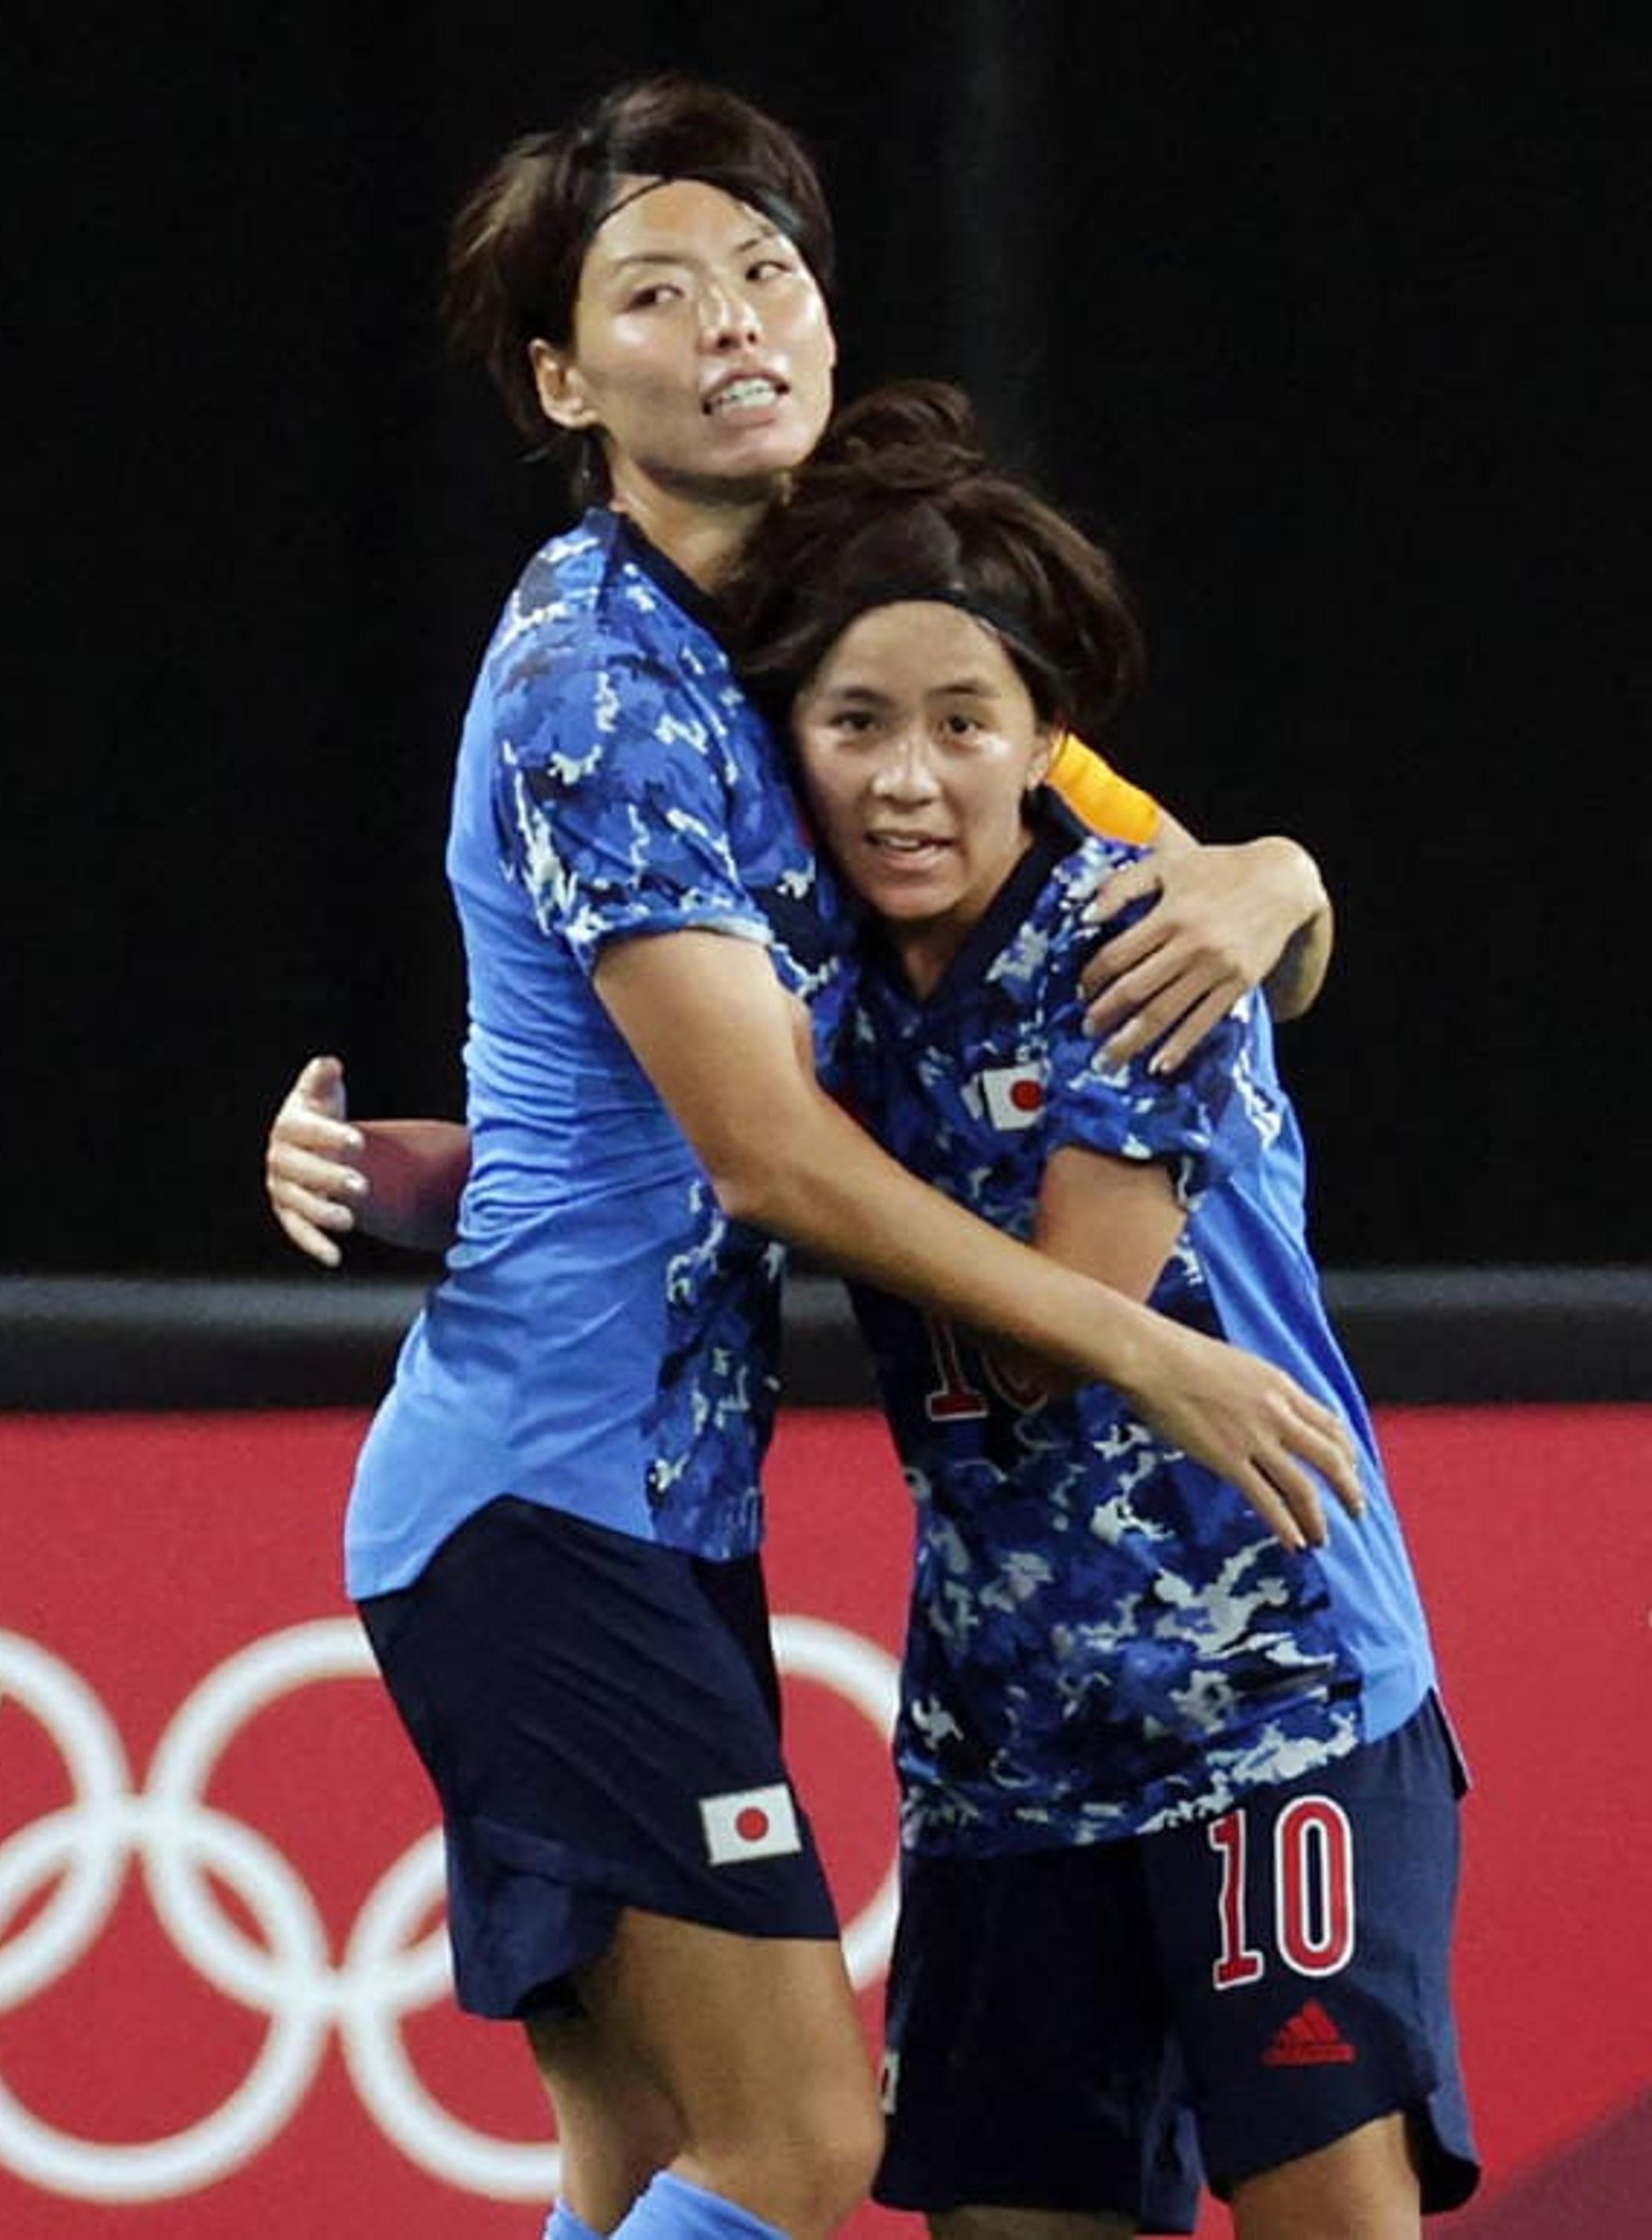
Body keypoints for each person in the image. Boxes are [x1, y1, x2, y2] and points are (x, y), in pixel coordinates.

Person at [268, 78, 1365, 2240]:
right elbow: (761, 1154)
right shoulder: (596, 681)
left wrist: (1273, 878)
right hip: (538, 1503)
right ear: (569, 381)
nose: (737, 321)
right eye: (658, 295)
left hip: (648, 1504)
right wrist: (1143, 1351)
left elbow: (1189, 893)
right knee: (802, 2153)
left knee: (640, 2159)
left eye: (768, 274)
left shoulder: (826, 646)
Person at [727, 380, 1473, 2236]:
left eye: (962, 727)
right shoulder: (789, 973)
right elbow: (600, 1153)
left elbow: (1074, 1310)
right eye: (857, 727)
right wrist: (378, 1167)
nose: (908, 776)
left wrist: (781, 1156)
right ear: (793, 745)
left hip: (1272, 1702)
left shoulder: (1141, 941)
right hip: (1005, 1758)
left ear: (1044, 741)